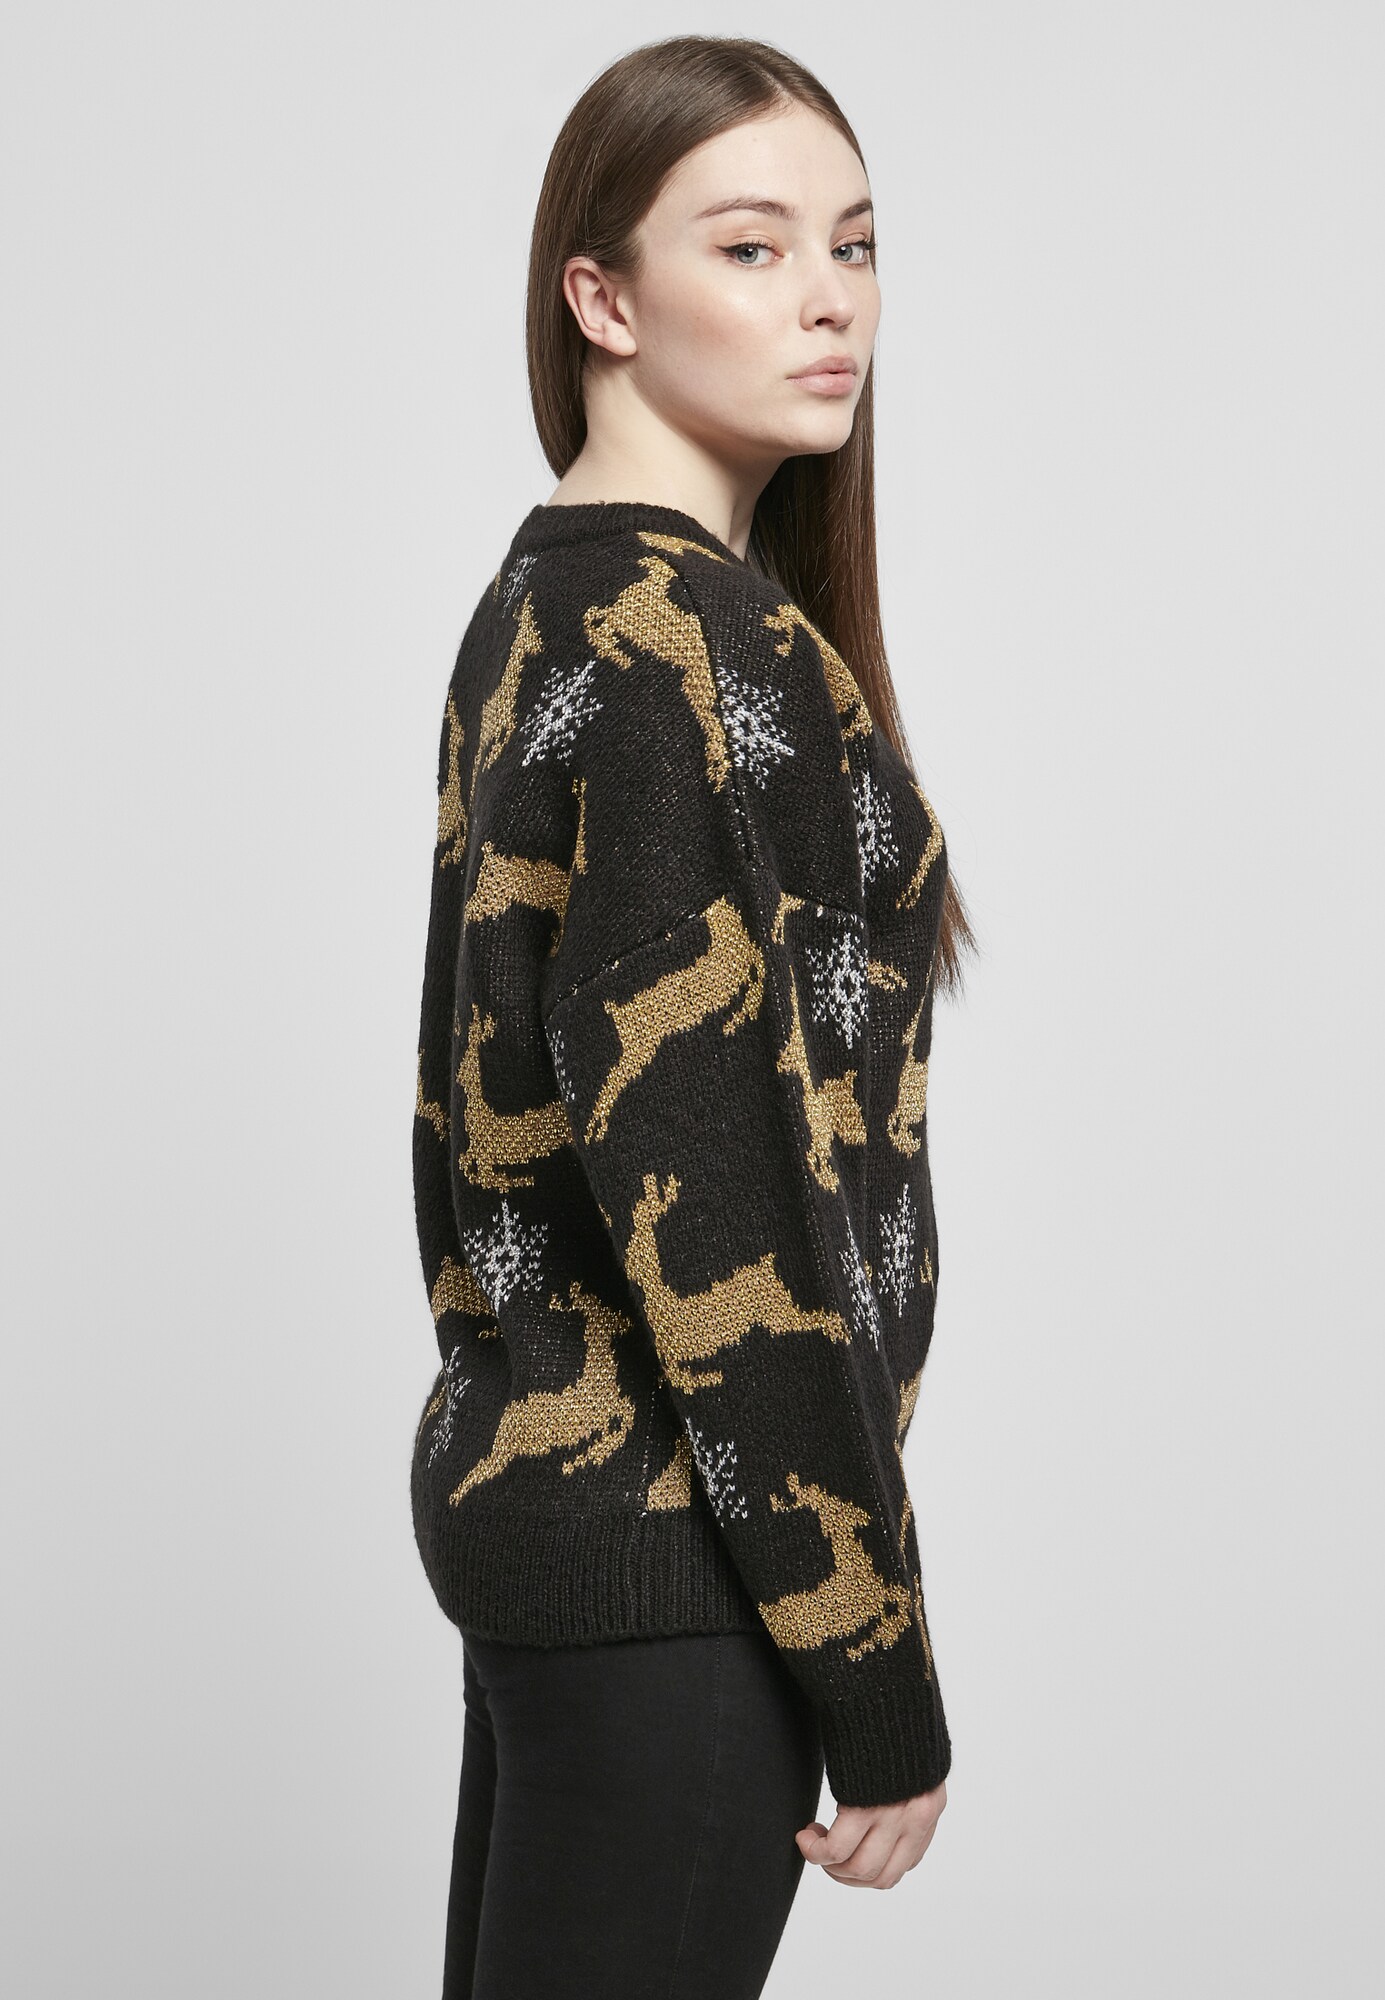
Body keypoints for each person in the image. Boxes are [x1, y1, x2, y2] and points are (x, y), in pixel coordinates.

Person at [409, 33, 978, 2000]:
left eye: (854, 243)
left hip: (567, 1516)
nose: (830, 299)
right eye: (751, 247)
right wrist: (872, 1659)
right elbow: (721, 1181)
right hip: (683, 1561)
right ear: (602, 297)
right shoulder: (677, 645)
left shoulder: (551, 601)